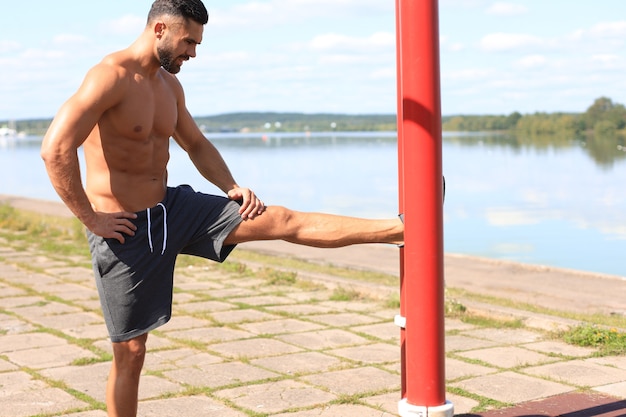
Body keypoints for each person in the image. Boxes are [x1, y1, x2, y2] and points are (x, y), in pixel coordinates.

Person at [40, 1, 403, 416]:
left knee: (280, 219)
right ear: (160, 29)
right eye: (188, 41)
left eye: (196, 43)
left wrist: (230, 186)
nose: (192, 52)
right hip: (126, 229)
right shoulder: (110, 77)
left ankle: (401, 229)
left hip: (174, 208)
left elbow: (194, 143)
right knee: (132, 352)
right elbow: (55, 149)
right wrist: (91, 218)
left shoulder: (168, 86)